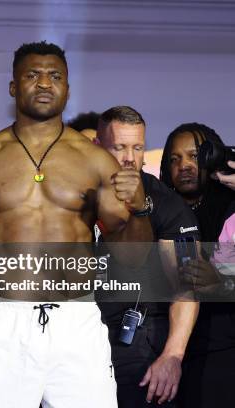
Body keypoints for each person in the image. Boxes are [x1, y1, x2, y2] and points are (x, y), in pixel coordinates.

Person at [0, 41, 153, 408]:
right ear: (14, 87)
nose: (44, 83)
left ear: (67, 88)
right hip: (3, 321)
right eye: (32, 75)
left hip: (76, 322)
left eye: (55, 75)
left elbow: (135, 263)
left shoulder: (96, 162)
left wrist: (140, 210)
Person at [95, 106, 199, 407]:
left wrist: (172, 355)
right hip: (75, 341)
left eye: (137, 147)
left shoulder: (167, 204)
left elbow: (187, 285)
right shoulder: (71, 197)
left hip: (138, 343)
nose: (130, 157)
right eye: (120, 147)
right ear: (97, 147)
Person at [159, 123, 235, 408]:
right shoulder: (156, 210)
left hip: (222, 350)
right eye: (175, 159)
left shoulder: (230, 207)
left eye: (194, 156)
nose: (185, 166)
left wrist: (220, 281)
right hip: (165, 346)